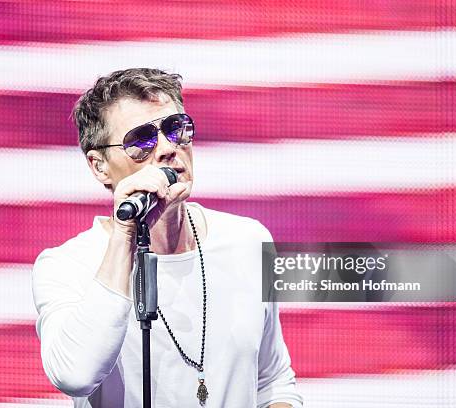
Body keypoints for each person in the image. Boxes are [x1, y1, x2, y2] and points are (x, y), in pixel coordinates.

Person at [31, 68, 303, 407]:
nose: (167, 149)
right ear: (100, 166)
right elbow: (75, 374)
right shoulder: (66, 266)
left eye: (175, 129)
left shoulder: (247, 240)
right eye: (141, 141)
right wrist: (125, 235)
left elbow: (272, 381)